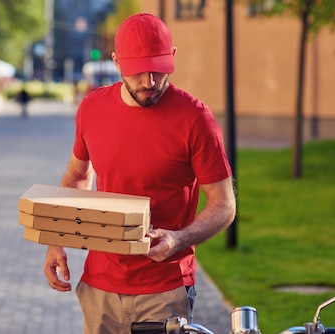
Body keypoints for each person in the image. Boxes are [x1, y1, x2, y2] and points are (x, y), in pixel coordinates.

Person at [42, 13, 236, 334]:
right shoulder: (91, 108)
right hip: (99, 287)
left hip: (164, 291)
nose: (149, 82)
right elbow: (77, 177)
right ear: (117, 62)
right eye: (138, 71)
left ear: (172, 57)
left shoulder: (195, 118)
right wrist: (56, 240)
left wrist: (178, 238)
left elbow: (224, 204)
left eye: (159, 69)